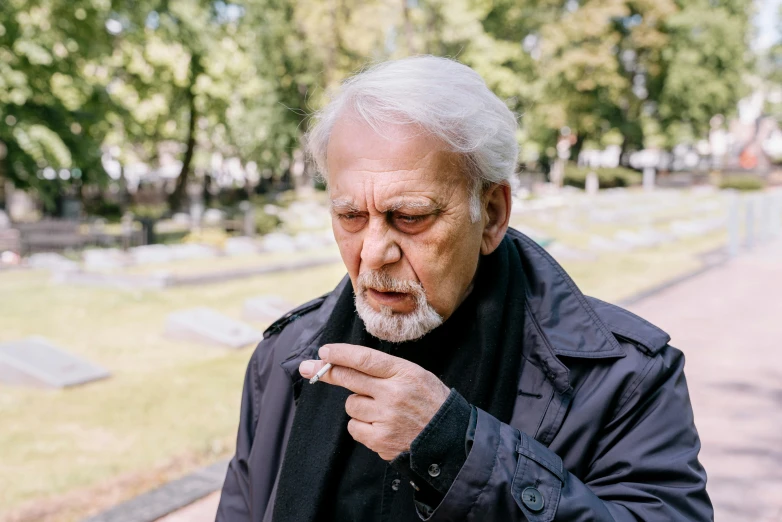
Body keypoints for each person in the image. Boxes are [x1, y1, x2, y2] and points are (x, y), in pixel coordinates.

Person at [217, 56, 712, 522]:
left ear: (492, 214)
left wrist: (457, 449)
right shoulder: (283, 358)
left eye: (409, 217)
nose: (371, 253)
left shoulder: (627, 379)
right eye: (350, 216)